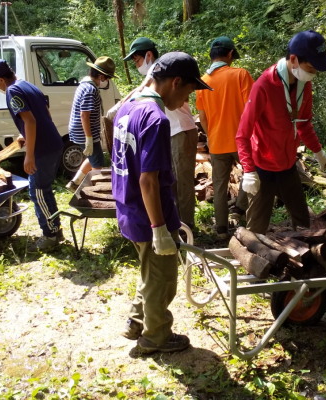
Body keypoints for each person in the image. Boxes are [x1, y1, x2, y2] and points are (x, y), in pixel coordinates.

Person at [111, 52, 212, 354]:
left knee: (148, 272)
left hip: (127, 207)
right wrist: (159, 229)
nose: (185, 101)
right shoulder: (156, 119)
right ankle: (155, 337)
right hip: (148, 212)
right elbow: (148, 180)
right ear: (175, 82)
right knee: (163, 278)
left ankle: (135, 321)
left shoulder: (127, 107)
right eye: (187, 93)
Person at [235, 30, 326, 234]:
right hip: (262, 165)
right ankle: (255, 261)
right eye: (311, 67)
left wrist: (319, 153)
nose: (314, 73)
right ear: (293, 59)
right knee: (257, 227)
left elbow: (304, 124)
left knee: (302, 219)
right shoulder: (264, 85)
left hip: (288, 162)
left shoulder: (304, 84)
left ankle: (307, 258)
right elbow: (242, 133)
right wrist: (248, 170)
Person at [0, 59, 66, 252]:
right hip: (53, 143)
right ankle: (55, 230)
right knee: (43, 190)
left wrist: (29, 156)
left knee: (37, 191)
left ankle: (50, 235)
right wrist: (25, 136)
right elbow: (45, 114)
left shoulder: (12, 91)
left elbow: (31, 121)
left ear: (1, 80)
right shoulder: (27, 85)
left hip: (42, 150)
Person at [123, 37, 199, 230]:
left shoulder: (161, 69)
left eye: (137, 60)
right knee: (169, 181)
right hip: (170, 131)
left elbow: (138, 91)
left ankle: (186, 226)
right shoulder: (158, 73)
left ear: (149, 55)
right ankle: (175, 223)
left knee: (182, 183)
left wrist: (121, 108)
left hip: (181, 130)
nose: (136, 64)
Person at [196, 36, 254, 239]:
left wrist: (211, 134)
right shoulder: (241, 75)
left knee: (219, 185)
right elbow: (251, 107)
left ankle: (221, 228)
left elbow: (202, 116)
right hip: (242, 140)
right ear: (229, 54)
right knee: (253, 175)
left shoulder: (203, 81)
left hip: (217, 141)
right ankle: (241, 210)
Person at [66, 56, 117, 192]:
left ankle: (74, 183)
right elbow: (84, 114)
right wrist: (89, 138)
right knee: (98, 164)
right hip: (85, 131)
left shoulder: (84, 85)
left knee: (93, 157)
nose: (106, 81)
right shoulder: (90, 89)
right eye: (107, 78)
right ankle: (96, 191)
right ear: (101, 76)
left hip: (81, 130)